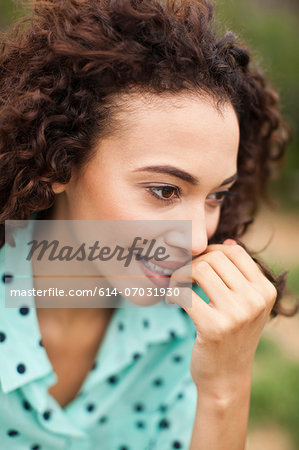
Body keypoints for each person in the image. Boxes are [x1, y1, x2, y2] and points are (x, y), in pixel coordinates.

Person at [0, 0, 297, 449]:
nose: (197, 239)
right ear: (59, 163)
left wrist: (226, 385)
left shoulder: (192, 327)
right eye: (164, 191)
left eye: (217, 195)